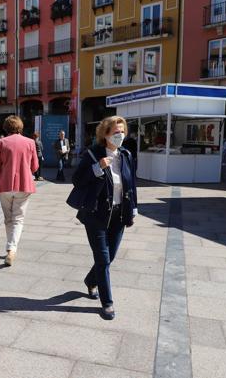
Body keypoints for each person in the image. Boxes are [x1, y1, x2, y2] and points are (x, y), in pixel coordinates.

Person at [71, 116, 137, 320]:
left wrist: (133, 207)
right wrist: (97, 168)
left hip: (119, 214)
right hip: (96, 214)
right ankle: (107, 303)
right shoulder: (92, 155)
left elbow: (131, 183)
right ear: (105, 134)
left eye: (122, 131)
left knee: (111, 256)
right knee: (103, 259)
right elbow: (77, 180)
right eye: (115, 132)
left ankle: (91, 281)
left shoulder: (126, 154)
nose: (120, 135)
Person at [0, 116, 39, 266]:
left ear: (5, 128)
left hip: (4, 185)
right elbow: (35, 166)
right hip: (24, 184)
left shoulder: (0, 143)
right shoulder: (30, 142)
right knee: (18, 218)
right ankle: (12, 248)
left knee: (8, 218)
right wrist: (25, 169)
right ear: (20, 127)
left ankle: (10, 247)